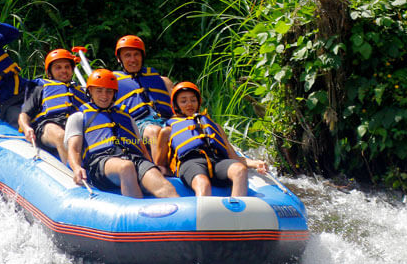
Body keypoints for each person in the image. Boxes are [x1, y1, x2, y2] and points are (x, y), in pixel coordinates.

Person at [65, 69, 179, 199]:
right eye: (99, 90)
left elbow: (140, 145)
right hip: (101, 161)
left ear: (114, 93)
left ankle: (183, 215)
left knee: (163, 185)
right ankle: (137, 213)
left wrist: (150, 165)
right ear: (90, 91)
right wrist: (76, 168)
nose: (104, 95)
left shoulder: (126, 116)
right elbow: (74, 148)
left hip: (134, 158)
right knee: (126, 167)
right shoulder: (79, 117)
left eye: (109, 91)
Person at [161, 81, 268, 197]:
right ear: (176, 105)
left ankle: (237, 211)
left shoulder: (215, 127)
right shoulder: (167, 131)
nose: (189, 104)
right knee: (203, 183)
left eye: (193, 100)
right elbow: (160, 163)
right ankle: (204, 213)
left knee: (239, 170)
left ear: (198, 102)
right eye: (183, 101)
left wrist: (255, 163)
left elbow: (233, 156)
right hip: (190, 162)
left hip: (217, 161)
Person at [112, 35, 174, 168]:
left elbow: (178, 107)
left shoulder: (162, 80)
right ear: (120, 59)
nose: (133, 59)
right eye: (127, 55)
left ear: (142, 56)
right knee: (154, 131)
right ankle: (161, 169)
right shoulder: (111, 83)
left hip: (166, 119)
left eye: (136, 54)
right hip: (138, 125)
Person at [17, 49, 87, 162]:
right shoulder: (40, 89)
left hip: (74, 126)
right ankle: (72, 173)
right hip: (48, 125)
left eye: (67, 67)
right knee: (61, 136)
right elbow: (24, 115)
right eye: (58, 67)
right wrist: (26, 128)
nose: (64, 70)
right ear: (49, 73)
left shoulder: (81, 93)